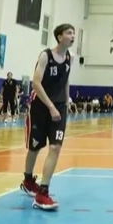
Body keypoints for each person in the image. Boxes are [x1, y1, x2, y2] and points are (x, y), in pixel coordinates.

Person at [20, 23, 75, 211]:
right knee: (35, 147)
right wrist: (51, 106)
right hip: (40, 106)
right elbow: (36, 83)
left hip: (59, 107)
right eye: (69, 33)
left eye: (73, 33)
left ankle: (43, 192)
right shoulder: (45, 56)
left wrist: (66, 101)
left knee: (55, 147)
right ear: (59, 37)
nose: (73, 36)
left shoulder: (70, 58)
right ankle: (28, 180)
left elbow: (66, 79)